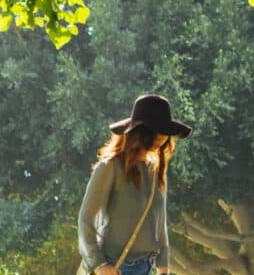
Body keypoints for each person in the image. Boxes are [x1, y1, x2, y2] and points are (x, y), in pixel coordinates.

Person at [78, 94, 192, 275]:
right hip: (116, 268)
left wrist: (163, 268)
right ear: (144, 133)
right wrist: (99, 264)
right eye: (160, 132)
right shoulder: (111, 166)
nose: (164, 138)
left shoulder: (155, 171)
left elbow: (159, 223)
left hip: (146, 267)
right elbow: (86, 218)